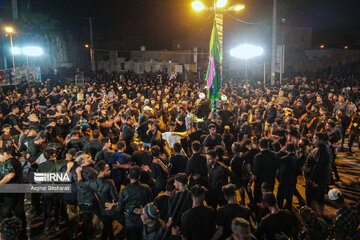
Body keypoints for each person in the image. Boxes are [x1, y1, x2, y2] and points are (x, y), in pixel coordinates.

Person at [105, 166, 153, 240]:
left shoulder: (124, 191)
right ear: (139, 176)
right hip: (143, 219)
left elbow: (119, 209)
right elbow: (151, 204)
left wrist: (113, 206)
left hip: (130, 221)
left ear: (128, 176)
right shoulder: (146, 188)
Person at [304, 133, 332, 216]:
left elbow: (318, 166)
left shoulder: (321, 150)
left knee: (313, 197)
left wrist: (312, 179)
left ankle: (313, 216)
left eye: (315, 138)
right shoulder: (324, 148)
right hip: (322, 180)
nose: (312, 140)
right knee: (319, 197)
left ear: (320, 140)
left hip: (317, 180)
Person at [0, 149, 26, 237]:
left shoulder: (9, 162)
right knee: (19, 212)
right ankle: (22, 233)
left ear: (5, 154)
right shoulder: (16, 161)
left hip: (9, 192)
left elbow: (10, 174)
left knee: (5, 213)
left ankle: (6, 234)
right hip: (19, 190)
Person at [248, 138, 279, 203]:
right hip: (271, 182)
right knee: (268, 200)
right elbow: (277, 170)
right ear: (268, 145)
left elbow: (255, 175)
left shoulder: (258, 157)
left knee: (259, 201)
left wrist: (250, 183)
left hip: (260, 185)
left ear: (259, 145)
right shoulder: (274, 155)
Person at [277, 143, 301, 209]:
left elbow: (275, 159)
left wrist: (281, 151)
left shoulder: (286, 158)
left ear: (286, 149)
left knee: (280, 199)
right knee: (289, 198)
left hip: (284, 181)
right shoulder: (296, 157)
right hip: (293, 180)